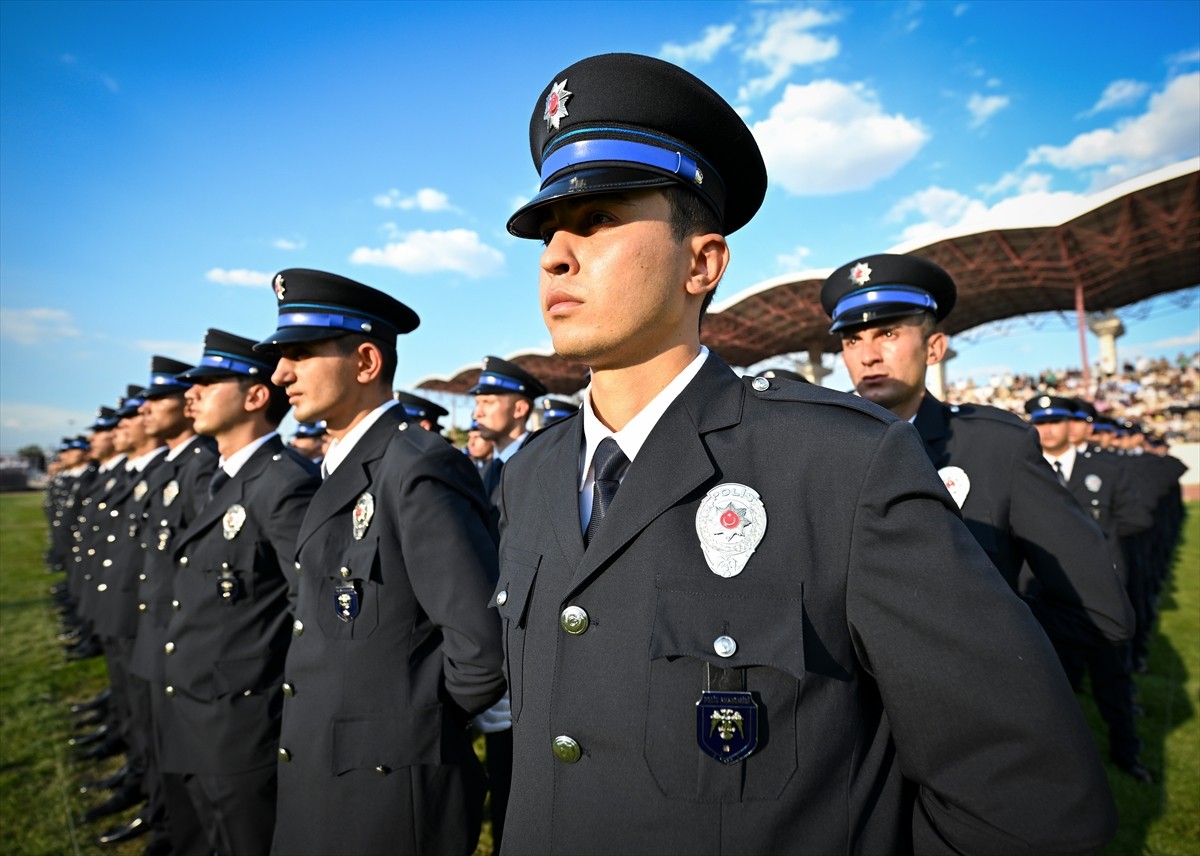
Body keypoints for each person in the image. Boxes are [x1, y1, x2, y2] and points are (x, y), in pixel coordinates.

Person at [494, 52, 1115, 854]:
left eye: (601, 219)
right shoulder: (532, 474)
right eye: (549, 231)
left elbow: (1031, 800)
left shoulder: (839, 465)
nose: (556, 255)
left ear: (702, 262)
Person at [257, 269, 505, 856]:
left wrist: (411, 727)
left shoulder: (415, 465)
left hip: (388, 790)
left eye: (299, 354)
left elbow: (481, 647)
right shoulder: (341, 463)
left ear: (366, 361)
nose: (279, 374)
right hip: (325, 773)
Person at [821, 253, 1133, 648]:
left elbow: (1101, 615)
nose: (867, 356)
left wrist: (970, 646)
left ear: (934, 348)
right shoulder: (821, 447)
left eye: (889, 334)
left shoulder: (998, 446)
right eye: (852, 340)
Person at [155, 329, 320, 855]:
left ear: (254, 397)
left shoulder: (283, 482)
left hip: (241, 722)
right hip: (195, 707)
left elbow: (308, 608)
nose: (191, 394)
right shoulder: (221, 477)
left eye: (208, 382)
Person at [1025, 394, 1154, 782]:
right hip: (1043, 599)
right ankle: (1060, 767)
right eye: (1039, 422)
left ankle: (1127, 755)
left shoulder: (1106, 469)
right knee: (1050, 689)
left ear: (1072, 425)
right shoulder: (1023, 469)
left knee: (1113, 682)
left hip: (1098, 598)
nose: (1047, 429)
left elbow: (1135, 520)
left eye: (1055, 421)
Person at [471, 356, 547, 500]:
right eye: (477, 403)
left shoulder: (542, 465)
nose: (477, 414)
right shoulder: (484, 471)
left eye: (487, 402)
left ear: (519, 409)